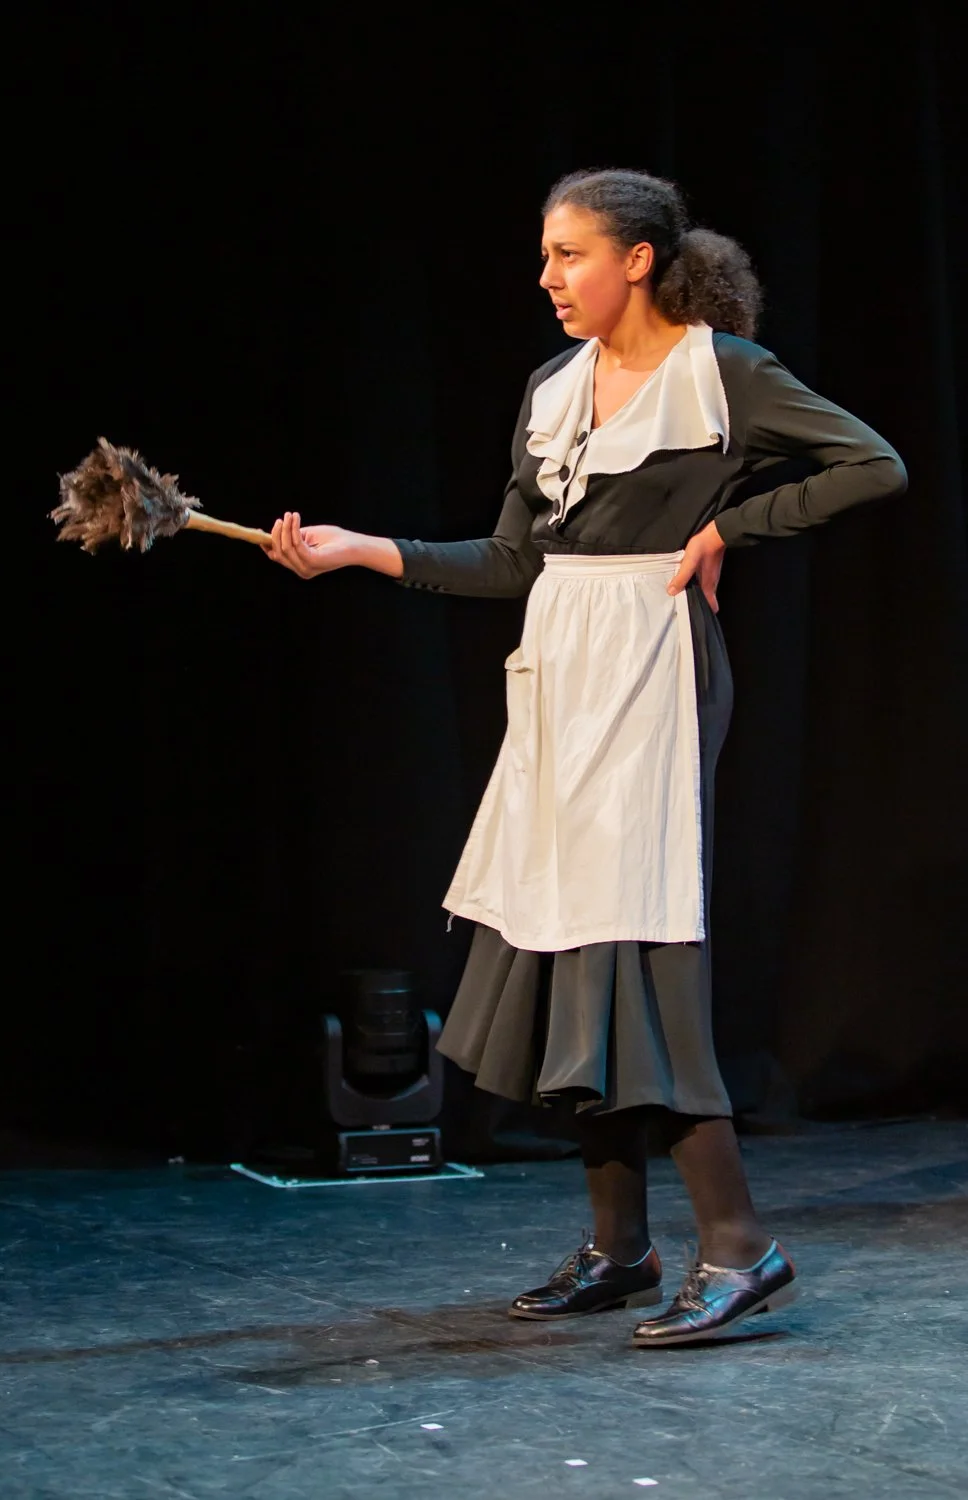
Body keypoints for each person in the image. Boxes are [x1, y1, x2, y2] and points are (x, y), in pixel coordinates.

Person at [265, 169, 907, 1347]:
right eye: (548, 255)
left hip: (651, 667)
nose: (550, 278)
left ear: (640, 261)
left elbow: (873, 465)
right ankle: (619, 1247)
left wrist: (728, 525)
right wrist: (364, 550)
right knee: (562, 941)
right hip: (559, 662)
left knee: (635, 941)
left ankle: (740, 1245)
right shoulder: (552, 389)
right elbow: (512, 563)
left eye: (571, 255)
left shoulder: (724, 373)